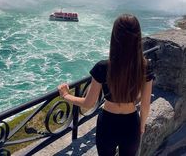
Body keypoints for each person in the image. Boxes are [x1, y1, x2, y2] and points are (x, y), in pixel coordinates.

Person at [58, 14, 154, 156]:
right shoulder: (144, 66)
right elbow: (146, 104)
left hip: (108, 123)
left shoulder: (103, 67)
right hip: (131, 123)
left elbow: (89, 103)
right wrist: (141, 125)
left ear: (115, 37)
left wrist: (66, 95)